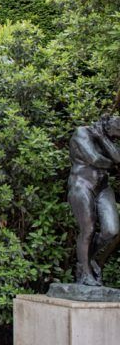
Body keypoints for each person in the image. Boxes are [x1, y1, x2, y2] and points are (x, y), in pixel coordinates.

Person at [68, 115, 120, 286]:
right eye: (117, 133)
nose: (117, 137)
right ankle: (85, 272)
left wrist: (103, 138)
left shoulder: (104, 137)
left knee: (111, 230)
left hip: (103, 188)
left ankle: (86, 261)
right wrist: (112, 161)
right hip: (82, 185)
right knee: (88, 230)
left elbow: (118, 158)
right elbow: (96, 160)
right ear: (108, 124)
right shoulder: (81, 132)